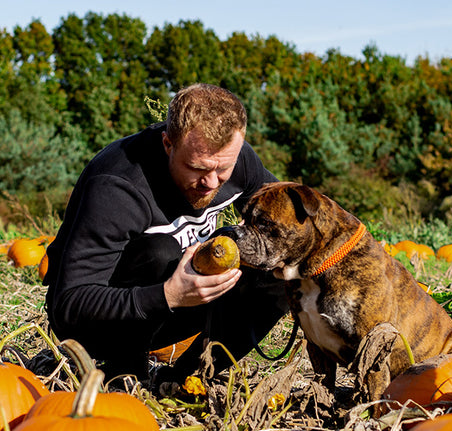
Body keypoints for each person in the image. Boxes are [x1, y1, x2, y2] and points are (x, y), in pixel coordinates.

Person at [43, 83, 289, 384]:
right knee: (160, 250)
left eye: (222, 169)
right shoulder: (117, 186)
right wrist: (167, 295)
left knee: (277, 269)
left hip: (181, 300)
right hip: (100, 320)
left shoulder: (237, 161)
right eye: (196, 168)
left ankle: (189, 378)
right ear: (167, 144)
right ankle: (126, 373)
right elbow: (69, 305)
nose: (211, 182)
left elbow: (287, 216)